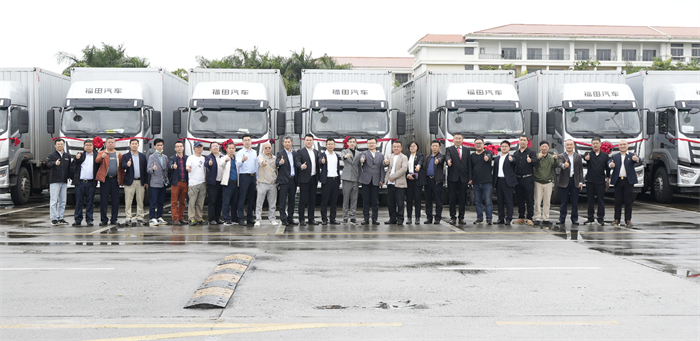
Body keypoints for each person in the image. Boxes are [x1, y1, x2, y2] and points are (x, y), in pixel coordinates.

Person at [608, 140, 639, 227]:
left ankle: (628, 220)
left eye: (624, 144)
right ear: (618, 146)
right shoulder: (615, 156)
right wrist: (611, 165)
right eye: (621, 145)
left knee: (628, 201)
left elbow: (638, 160)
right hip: (618, 181)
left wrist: (636, 159)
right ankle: (616, 219)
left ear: (627, 146)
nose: (622, 146)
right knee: (617, 201)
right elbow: (609, 162)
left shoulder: (632, 155)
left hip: (628, 181)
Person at [96, 137, 124, 227]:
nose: (111, 144)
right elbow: (97, 160)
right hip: (105, 180)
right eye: (109, 142)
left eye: (112, 142)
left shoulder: (118, 154)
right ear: (106, 144)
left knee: (115, 201)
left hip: (115, 180)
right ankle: (104, 220)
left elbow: (121, 168)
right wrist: (102, 157)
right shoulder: (102, 152)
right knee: (104, 201)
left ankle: (114, 219)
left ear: (115, 144)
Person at [444, 133, 472, 225]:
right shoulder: (449, 149)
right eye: (456, 138)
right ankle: (453, 217)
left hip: (463, 178)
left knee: (462, 198)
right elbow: (447, 157)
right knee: (452, 198)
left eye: (459, 138)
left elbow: (469, 165)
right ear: (453, 140)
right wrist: (448, 161)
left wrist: (470, 178)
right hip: (453, 178)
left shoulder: (466, 150)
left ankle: (461, 218)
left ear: (462, 140)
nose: (458, 140)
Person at [556, 140, 584, 229]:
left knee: (574, 202)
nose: (569, 146)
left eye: (571, 145)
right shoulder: (561, 156)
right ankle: (562, 218)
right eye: (567, 145)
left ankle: (574, 218)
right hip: (564, 181)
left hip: (574, 181)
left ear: (574, 146)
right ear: (565, 146)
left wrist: (581, 182)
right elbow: (559, 164)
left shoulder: (578, 156)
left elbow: (580, 170)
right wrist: (564, 165)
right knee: (564, 202)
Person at [121, 139, 148, 226]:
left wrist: (146, 182)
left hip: (140, 181)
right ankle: (128, 217)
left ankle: (140, 217)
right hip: (129, 181)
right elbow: (122, 166)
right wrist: (127, 165)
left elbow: (145, 170)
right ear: (130, 145)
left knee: (140, 200)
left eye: (136, 144)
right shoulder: (125, 156)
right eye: (132, 144)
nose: (134, 145)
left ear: (138, 145)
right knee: (128, 200)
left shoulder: (143, 156)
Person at [71, 139, 98, 226]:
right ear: (84, 146)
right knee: (79, 201)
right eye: (86, 145)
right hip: (80, 183)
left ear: (93, 146)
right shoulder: (80, 155)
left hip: (91, 182)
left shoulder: (96, 156)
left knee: (90, 202)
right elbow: (72, 167)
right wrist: (76, 159)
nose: (88, 147)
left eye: (90, 145)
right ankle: (78, 219)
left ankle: (89, 219)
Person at [512, 135, 538, 226]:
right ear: (518, 141)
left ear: (527, 142)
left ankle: (530, 218)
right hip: (518, 178)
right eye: (521, 140)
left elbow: (536, 161)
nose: (522, 142)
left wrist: (531, 160)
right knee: (519, 199)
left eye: (524, 140)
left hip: (528, 178)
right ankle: (521, 217)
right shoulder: (516, 153)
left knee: (529, 199)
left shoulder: (531, 152)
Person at [359, 137, 385, 225]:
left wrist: (382, 180)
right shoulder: (364, 153)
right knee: (365, 200)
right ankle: (366, 218)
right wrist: (361, 160)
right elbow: (361, 160)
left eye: (373, 143)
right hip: (366, 180)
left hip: (376, 180)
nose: (371, 144)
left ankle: (375, 219)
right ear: (367, 144)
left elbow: (381, 168)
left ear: (376, 144)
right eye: (369, 143)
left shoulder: (380, 155)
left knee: (375, 201)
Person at [584, 138, 610, 226]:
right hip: (590, 181)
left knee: (600, 201)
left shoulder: (605, 156)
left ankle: (600, 218)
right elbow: (585, 158)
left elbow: (608, 168)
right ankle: (590, 218)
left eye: (597, 143)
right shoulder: (588, 154)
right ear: (591, 145)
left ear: (600, 144)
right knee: (590, 200)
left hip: (601, 181)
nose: (595, 145)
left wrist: (608, 179)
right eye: (593, 143)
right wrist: (586, 158)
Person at [296, 134, 320, 226]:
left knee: (312, 200)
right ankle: (301, 219)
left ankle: (311, 219)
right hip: (304, 180)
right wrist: (301, 166)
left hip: (313, 179)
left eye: (310, 140)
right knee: (302, 201)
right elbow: (297, 162)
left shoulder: (316, 152)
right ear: (304, 141)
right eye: (307, 140)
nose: (309, 141)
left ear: (313, 141)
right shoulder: (300, 151)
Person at [47, 138, 72, 226]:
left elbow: (70, 168)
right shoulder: (52, 155)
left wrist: (71, 177)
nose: (60, 145)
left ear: (64, 145)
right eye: (58, 144)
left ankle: (60, 218)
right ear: (55, 145)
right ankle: (53, 219)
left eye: (62, 144)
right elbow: (48, 164)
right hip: (55, 181)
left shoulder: (67, 156)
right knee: (54, 200)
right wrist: (55, 163)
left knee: (62, 201)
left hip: (64, 181)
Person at [533, 141, 558, 226]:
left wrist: (555, 159)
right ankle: (537, 218)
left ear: (548, 148)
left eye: (546, 146)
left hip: (548, 182)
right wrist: (538, 159)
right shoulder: (536, 156)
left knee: (547, 202)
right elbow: (534, 165)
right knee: (537, 201)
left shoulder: (551, 157)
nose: (544, 148)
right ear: (540, 147)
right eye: (543, 146)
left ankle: (546, 218)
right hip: (538, 181)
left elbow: (555, 166)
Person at [469, 138, 493, 225]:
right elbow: (470, 168)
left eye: (480, 143)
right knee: (478, 202)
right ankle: (479, 218)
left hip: (487, 182)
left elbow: (490, 157)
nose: (478, 145)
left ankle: (489, 218)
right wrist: (470, 179)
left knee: (488, 201)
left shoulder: (488, 153)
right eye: (476, 143)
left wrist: (487, 158)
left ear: (483, 145)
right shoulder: (472, 156)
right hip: (476, 182)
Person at [493, 140, 517, 225]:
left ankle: (508, 218)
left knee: (509, 201)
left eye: (506, 146)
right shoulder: (497, 158)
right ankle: (501, 218)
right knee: (499, 201)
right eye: (502, 146)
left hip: (508, 182)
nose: (504, 148)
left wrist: (512, 160)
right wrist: (494, 183)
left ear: (509, 148)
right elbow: (495, 171)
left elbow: (514, 162)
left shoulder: (511, 157)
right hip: (499, 181)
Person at [384, 141, 408, 225]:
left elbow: (404, 169)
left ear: (401, 148)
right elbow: (384, 164)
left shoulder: (404, 157)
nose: (396, 148)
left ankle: (400, 219)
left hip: (399, 183)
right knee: (390, 202)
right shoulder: (389, 156)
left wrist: (393, 176)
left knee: (400, 202)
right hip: (390, 183)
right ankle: (392, 218)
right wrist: (385, 163)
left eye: (398, 146)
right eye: (394, 147)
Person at [236, 135, 258, 225]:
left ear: (251, 141)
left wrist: (256, 178)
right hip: (244, 176)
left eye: (248, 140)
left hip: (253, 176)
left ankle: (250, 218)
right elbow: (238, 164)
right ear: (242, 142)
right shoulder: (240, 152)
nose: (247, 142)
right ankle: (240, 218)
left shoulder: (254, 152)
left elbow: (256, 166)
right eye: (245, 140)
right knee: (242, 198)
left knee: (251, 198)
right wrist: (242, 160)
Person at [255, 142, 279, 226]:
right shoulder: (260, 156)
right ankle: (258, 219)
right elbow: (260, 161)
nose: (268, 149)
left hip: (273, 184)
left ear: (271, 148)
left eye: (269, 147)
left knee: (272, 204)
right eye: (266, 148)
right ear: (263, 149)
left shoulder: (274, 158)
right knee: (259, 203)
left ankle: (272, 219)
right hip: (262, 183)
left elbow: (277, 170)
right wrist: (263, 163)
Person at [319, 138, 341, 225]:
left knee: (334, 201)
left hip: (335, 180)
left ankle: (333, 218)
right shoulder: (323, 154)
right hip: (327, 180)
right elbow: (319, 161)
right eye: (329, 144)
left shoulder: (336, 155)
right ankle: (324, 219)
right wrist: (322, 161)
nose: (331, 145)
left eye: (332, 144)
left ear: (334, 145)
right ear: (326, 145)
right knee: (324, 200)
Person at [276, 136, 297, 226]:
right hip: (284, 181)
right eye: (286, 142)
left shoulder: (295, 153)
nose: (287, 143)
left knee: (292, 200)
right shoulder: (280, 153)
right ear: (283, 143)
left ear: (291, 143)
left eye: (289, 142)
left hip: (293, 180)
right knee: (283, 201)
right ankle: (283, 219)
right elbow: (276, 163)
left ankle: (290, 218)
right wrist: (280, 162)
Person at [147, 138, 168, 226]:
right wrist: (153, 169)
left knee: (161, 201)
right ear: (155, 146)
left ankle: (159, 216)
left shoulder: (165, 157)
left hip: (163, 182)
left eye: (161, 145)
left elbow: (166, 170)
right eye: (158, 145)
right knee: (153, 201)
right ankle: (152, 217)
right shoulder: (152, 157)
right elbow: (148, 169)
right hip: (155, 182)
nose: (160, 147)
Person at [341, 137, 362, 223]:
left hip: (355, 177)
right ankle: (345, 217)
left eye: (354, 142)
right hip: (346, 177)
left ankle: (353, 216)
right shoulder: (344, 151)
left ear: (356, 143)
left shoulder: (359, 153)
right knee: (346, 198)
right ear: (348, 143)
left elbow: (359, 166)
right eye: (350, 142)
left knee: (354, 198)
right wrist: (346, 156)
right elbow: (343, 157)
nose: (352, 143)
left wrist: (360, 178)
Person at [423, 140, 445, 225]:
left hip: (437, 181)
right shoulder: (428, 157)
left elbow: (441, 160)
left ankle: (438, 218)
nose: (435, 147)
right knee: (428, 200)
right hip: (428, 181)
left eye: (436, 146)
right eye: (433, 146)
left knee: (438, 200)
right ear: (431, 147)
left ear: (439, 147)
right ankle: (429, 217)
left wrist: (437, 161)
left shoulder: (441, 156)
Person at [186, 141, 207, 225]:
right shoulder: (191, 158)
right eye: (197, 147)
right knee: (192, 202)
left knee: (200, 202)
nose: (199, 148)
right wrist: (188, 168)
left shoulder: (204, 158)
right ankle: (191, 218)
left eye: (200, 147)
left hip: (202, 183)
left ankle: (199, 218)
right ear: (194, 149)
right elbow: (188, 166)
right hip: (193, 183)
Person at [205, 142, 225, 225]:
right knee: (212, 201)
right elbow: (206, 164)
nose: (215, 147)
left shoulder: (222, 157)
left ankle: (217, 218)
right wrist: (208, 164)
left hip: (222, 182)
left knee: (219, 201)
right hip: (213, 183)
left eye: (217, 146)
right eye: (213, 146)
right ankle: (211, 219)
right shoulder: (208, 157)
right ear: (210, 149)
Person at [405, 141, 425, 224]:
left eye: (414, 146)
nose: (412, 147)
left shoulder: (420, 155)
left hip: (417, 181)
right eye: (411, 146)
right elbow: (404, 167)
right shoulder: (406, 156)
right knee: (409, 200)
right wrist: (407, 175)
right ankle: (409, 217)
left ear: (417, 147)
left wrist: (419, 166)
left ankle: (417, 218)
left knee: (417, 200)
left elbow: (420, 162)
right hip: (409, 180)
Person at [168, 141, 188, 226]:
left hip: (185, 182)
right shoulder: (172, 158)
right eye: (177, 146)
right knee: (174, 201)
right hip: (176, 183)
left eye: (181, 146)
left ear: (183, 148)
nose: (179, 148)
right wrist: (173, 166)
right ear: (175, 149)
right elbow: (169, 166)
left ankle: (181, 217)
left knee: (183, 202)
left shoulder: (187, 158)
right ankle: (175, 218)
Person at [220, 141, 239, 226]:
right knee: (226, 202)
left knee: (235, 202)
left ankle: (234, 219)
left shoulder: (237, 158)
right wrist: (225, 160)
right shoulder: (224, 158)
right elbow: (221, 164)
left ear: (235, 149)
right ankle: (227, 219)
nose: (231, 150)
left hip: (236, 183)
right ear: (226, 149)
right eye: (229, 148)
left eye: (233, 148)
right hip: (228, 183)